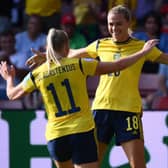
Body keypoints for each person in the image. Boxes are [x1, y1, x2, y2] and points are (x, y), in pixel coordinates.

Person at [26, 5, 168, 168]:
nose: (114, 28)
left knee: (138, 165)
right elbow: (70, 54)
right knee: (90, 165)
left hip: (128, 111)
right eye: (110, 24)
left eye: (118, 24)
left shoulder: (142, 47)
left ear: (129, 23)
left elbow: (164, 58)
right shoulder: (100, 44)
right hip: (101, 109)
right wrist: (47, 56)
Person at [0, 28, 158, 168]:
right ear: (67, 46)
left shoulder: (37, 74)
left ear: (48, 47)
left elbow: (12, 94)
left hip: (56, 135)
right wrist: (143, 52)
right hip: (81, 131)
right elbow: (118, 65)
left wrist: (9, 78)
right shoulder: (79, 64)